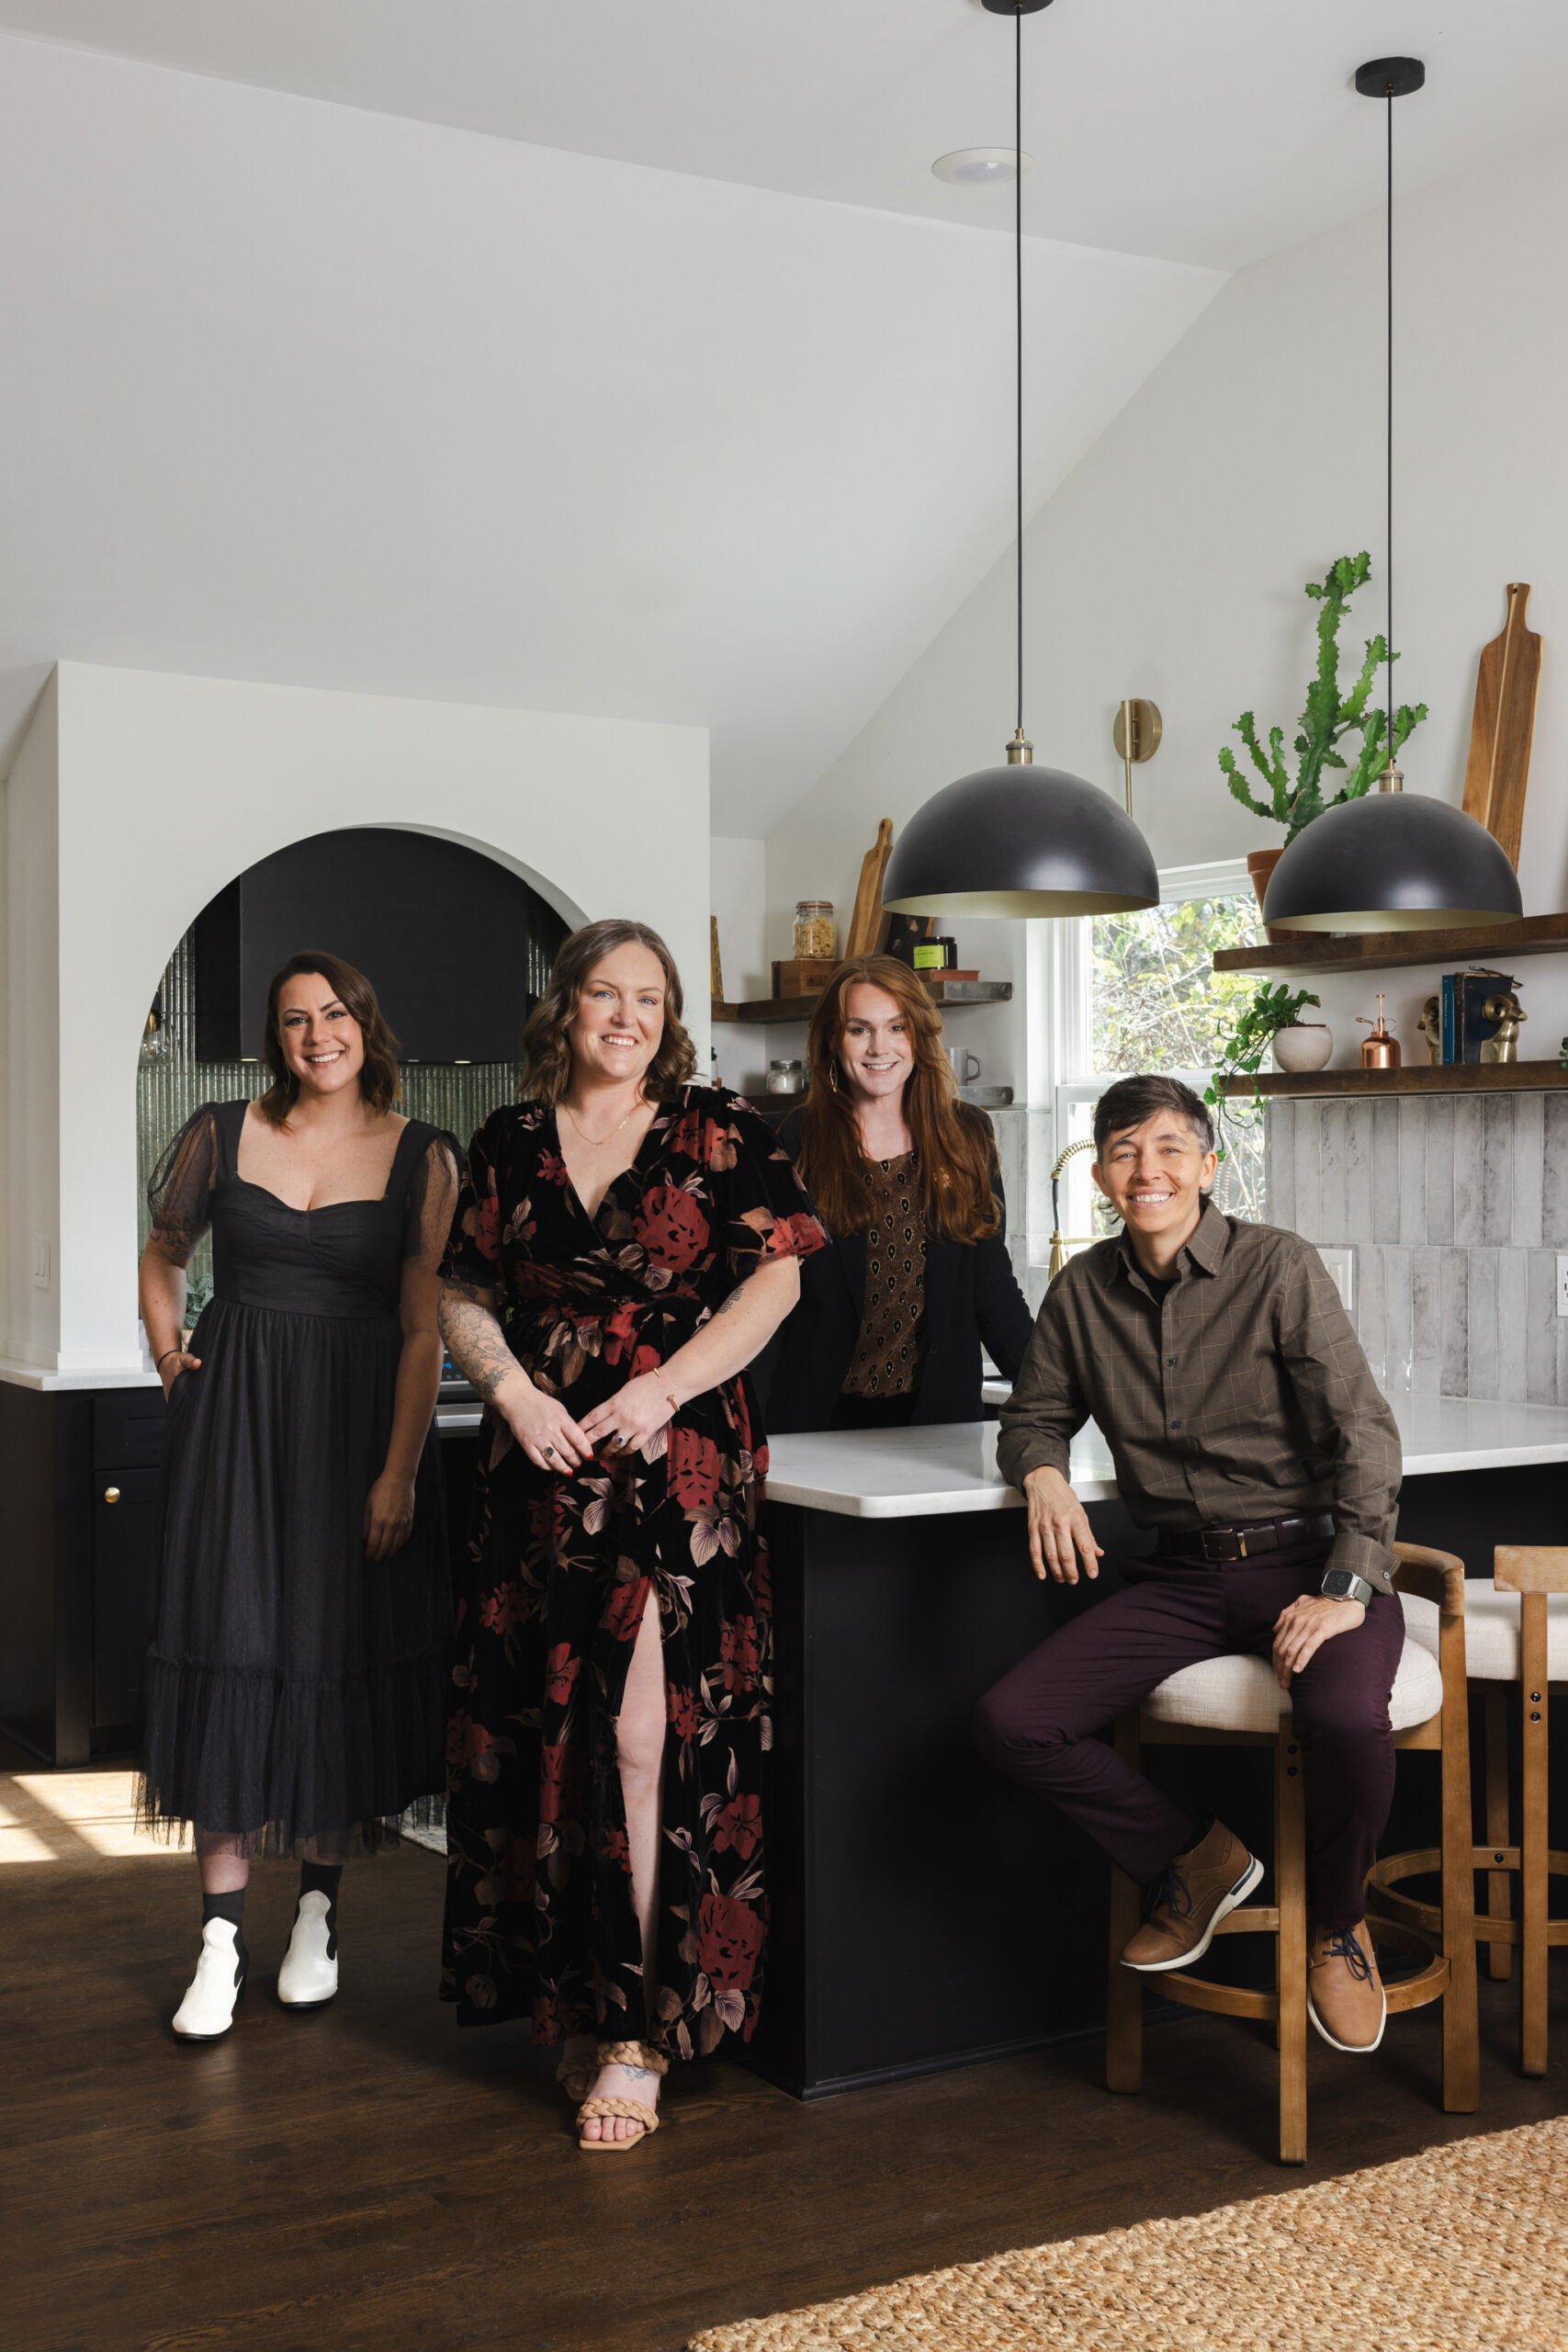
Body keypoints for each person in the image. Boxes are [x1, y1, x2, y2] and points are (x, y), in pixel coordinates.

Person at [437, 917, 825, 2152]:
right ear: (565, 1007)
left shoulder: (722, 1128)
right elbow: (460, 1292)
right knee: (548, 1733)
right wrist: (511, 1393)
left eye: (648, 998)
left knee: (643, 1733)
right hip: (540, 1462)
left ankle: (638, 2032)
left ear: (669, 1017)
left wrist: (662, 1388)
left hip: (677, 1458)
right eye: (605, 995)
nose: (627, 1017)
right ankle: (579, 1998)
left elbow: (777, 1279)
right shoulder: (506, 1140)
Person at [972, 1073, 1404, 2054]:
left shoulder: (1278, 1265)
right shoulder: (1082, 1290)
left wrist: (1346, 1587)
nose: (1146, 1170)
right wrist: (1042, 1473)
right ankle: (1196, 1857)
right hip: (1179, 1576)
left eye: (1168, 1148)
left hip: (1309, 1559)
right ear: (1101, 1177)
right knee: (1012, 1722)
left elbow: (1364, 1432)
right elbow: (1032, 1415)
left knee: (1344, 1717)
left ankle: (1338, 1925)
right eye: (1124, 1152)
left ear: (1208, 1167)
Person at [139, 953, 459, 2040]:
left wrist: (399, 1471)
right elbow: (164, 1253)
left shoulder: (424, 1155)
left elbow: (423, 1329)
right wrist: (170, 1355)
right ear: (273, 1039)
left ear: (366, 1024)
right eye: (293, 1019)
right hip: (234, 1429)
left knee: (330, 1655)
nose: (317, 1034)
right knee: (226, 1647)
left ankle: (317, 1915)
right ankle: (220, 1940)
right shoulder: (221, 1131)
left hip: (354, 1433)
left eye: (333, 1013)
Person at [760, 953, 1032, 1432]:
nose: (878, 1047)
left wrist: (1054, 1392)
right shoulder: (789, 1140)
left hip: (939, 1419)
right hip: (812, 1420)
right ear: (833, 1039)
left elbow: (991, 1288)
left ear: (919, 1036)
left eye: (897, 1027)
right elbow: (761, 1302)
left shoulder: (966, 1134)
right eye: (859, 1029)